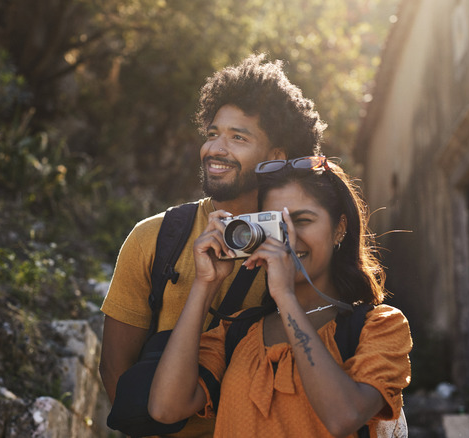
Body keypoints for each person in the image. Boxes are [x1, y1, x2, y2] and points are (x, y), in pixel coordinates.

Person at [99, 53, 327, 437]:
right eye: (212, 134)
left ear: (276, 157)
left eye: (238, 137)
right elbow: (114, 367)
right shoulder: (153, 238)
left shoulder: (301, 245)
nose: (215, 149)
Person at [148, 156, 412, 437]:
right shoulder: (237, 332)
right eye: (276, 225)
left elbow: (343, 417)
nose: (288, 239)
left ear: (340, 228)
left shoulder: (381, 326)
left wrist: (285, 296)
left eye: (302, 220)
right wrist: (205, 283)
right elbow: (165, 408)